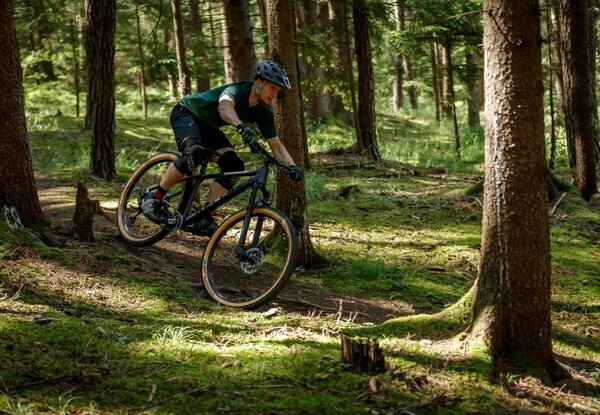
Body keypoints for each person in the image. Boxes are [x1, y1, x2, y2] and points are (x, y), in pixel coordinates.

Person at [141, 60, 304, 236]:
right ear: (258, 82)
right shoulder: (238, 90)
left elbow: (276, 146)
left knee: (234, 165)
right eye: (272, 88)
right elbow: (224, 107)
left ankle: (204, 215)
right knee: (194, 153)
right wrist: (240, 126)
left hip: (209, 127)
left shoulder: (264, 111)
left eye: (277, 90)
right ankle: (155, 197)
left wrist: (292, 166)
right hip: (186, 113)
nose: (274, 94)